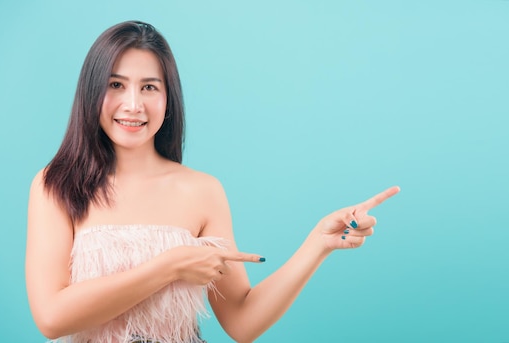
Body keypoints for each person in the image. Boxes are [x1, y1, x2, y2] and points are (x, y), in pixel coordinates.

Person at [25, 20, 400, 343]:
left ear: (169, 100)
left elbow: (241, 320)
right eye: (116, 85)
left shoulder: (202, 191)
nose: (133, 105)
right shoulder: (56, 184)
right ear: (91, 93)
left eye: (150, 87)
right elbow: (51, 317)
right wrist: (170, 266)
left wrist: (318, 243)